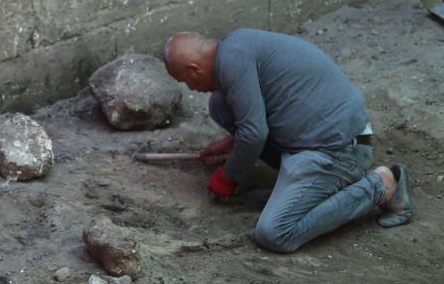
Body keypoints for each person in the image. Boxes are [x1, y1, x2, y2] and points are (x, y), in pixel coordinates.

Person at [163, 29, 413, 253]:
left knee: (274, 233)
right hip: (322, 131)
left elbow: (254, 133)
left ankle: (381, 186)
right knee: (220, 105)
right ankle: (300, 190)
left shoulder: (231, 62)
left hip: (340, 147)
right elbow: (255, 120)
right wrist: (232, 144)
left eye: (185, 81)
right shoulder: (235, 46)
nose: (191, 88)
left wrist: (227, 177)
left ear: (194, 69)